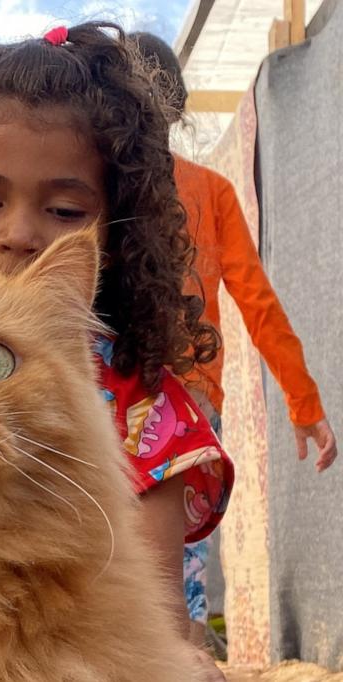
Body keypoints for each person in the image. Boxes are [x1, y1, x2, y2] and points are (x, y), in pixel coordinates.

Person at [0, 23, 233, 681]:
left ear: (114, 231)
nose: (20, 233)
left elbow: (148, 612)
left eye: (65, 211)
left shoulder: (139, 402)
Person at [131, 29, 338, 646]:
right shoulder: (210, 191)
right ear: (178, 105)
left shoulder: (98, 188)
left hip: (114, 393)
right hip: (191, 405)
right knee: (180, 567)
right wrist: (305, 405)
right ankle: (185, 645)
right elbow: (259, 304)